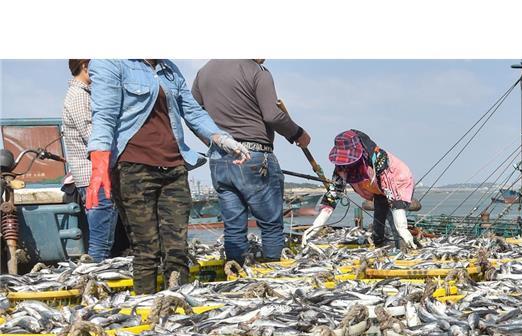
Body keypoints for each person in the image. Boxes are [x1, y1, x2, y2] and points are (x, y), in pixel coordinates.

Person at [86, 59, 251, 294]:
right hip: (133, 169)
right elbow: (104, 116)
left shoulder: (168, 69)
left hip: (174, 168)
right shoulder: (110, 62)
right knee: (146, 249)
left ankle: (178, 306)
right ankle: (145, 303)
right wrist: (99, 167)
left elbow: (193, 112)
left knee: (177, 249)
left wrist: (223, 139)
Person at [191, 59, 310, 264]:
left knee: (233, 226)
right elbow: (273, 115)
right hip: (254, 156)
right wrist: (298, 133)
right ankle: (272, 274)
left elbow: (194, 115)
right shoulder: (258, 72)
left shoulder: (204, 72)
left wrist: (214, 141)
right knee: (271, 224)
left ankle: (235, 276)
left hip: (219, 158)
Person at [62, 59, 119, 262]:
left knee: (105, 242)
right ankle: (93, 281)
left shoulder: (84, 94)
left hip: (96, 176)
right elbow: (93, 137)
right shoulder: (79, 96)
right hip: (94, 177)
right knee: (101, 244)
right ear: (85, 66)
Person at [324, 130, 418, 250]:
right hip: (378, 188)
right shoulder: (343, 166)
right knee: (379, 214)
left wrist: (403, 228)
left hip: (399, 183)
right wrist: (317, 224)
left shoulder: (379, 158)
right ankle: (378, 242)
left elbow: (394, 196)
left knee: (395, 222)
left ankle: (403, 247)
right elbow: (333, 194)